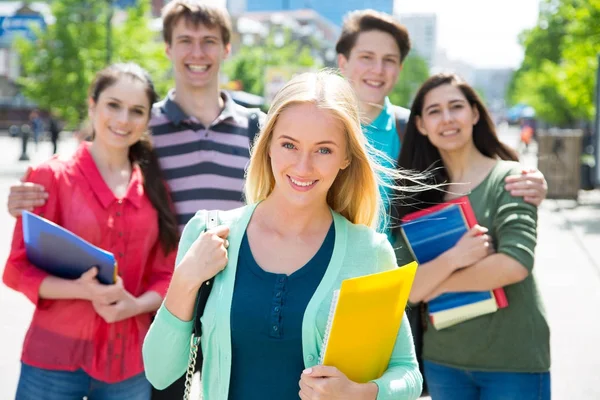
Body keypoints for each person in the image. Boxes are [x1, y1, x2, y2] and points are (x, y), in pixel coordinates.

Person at [4, 3, 262, 396]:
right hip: (159, 318)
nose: (197, 52)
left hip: (232, 305)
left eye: (209, 41)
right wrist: (25, 197)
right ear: (167, 48)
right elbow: (81, 170)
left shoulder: (257, 127)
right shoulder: (144, 124)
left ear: (227, 48)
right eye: (185, 41)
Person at [142, 70, 423, 400]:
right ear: (269, 145)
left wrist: (360, 393)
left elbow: (407, 373)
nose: (303, 167)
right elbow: (159, 372)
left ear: (347, 156)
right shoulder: (209, 233)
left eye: (324, 150)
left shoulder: (369, 251)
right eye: (290, 145)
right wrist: (186, 280)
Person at [2, 63, 179, 399]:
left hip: (129, 362)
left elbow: (167, 273)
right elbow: (15, 270)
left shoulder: (156, 187)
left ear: (146, 121)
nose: (123, 120)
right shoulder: (49, 177)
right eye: (113, 105)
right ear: (92, 104)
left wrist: (135, 305)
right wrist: (81, 290)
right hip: (53, 358)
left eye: (136, 111)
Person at [392, 73, 550, 400]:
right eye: (434, 111)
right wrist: (455, 258)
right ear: (420, 125)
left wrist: (434, 283)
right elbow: (407, 288)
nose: (447, 118)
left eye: (456, 107)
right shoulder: (418, 194)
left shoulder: (512, 178)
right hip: (443, 362)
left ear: (475, 114)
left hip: (512, 361)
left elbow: (515, 264)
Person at [335, 9, 548, 238]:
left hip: (408, 271)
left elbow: (473, 173)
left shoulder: (416, 129)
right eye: (366, 57)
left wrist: (527, 182)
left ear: (399, 69)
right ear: (343, 62)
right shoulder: (317, 128)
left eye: (389, 60)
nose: (378, 69)